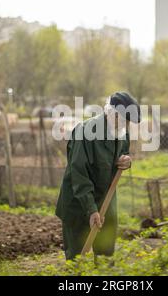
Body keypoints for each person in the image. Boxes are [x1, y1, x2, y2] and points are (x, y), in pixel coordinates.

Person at [56, 92, 141, 260]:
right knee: (77, 259)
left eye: (128, 122)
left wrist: (127, 161)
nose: (127, 125)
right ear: (112, 113)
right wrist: (91, 209)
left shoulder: (122, 132)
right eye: (124, 120)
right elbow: (79, 174)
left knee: (105, 256)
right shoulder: (85, 132)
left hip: (106, 200)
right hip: (79, 202)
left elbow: (123, 154)